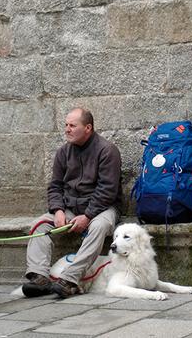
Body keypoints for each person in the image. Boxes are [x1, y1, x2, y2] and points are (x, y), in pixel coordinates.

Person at [22, 107, 122, 298]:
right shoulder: (63, 152)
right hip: (70, 208)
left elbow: (107, 191)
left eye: (72, 125)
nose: (67, 129)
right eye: (66, 125)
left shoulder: (107, 151)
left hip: (102, 209)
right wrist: (58, 210)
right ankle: (39, 277)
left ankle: (70, 280)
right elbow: (55, 186)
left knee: (99, 227)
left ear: (88, 128)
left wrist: (88, 216)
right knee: (40, 224)